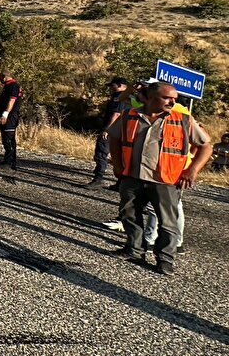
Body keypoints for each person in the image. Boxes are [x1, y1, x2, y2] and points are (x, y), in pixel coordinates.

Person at [108, 82, 212, 275]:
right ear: (149, 98)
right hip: (133, 176)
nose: (172, 102)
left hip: (167, 180)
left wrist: (192, 170)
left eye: (174, 98)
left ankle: (165, 260)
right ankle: (134, 250)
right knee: (129, 214)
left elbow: (206, 146)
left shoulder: (183, 119)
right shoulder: (129, 115)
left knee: (167, 222)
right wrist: (117, 164)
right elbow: (113, 137)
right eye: (167, 98)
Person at [85, 77, 130, 188]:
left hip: (113, 131)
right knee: (120, 157)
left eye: (112, 85)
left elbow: (116, 114)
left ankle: (98, 179)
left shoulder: (119, 97)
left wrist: (107, 129)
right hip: (124, 131)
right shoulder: (130, 98)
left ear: (120, 85)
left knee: (101, 153)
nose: (110, 88)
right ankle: (120, 183)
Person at [0, 71, 22, 170]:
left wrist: (5, 113)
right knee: (5, 139)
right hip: (6, 116)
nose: (0, 79)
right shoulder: (8, 86)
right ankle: (7, 160)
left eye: (0, 77)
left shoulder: (13, 86)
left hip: (10, 117)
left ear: (5, 77)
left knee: (9, 139)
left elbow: (12, 100)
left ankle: (10, 162)